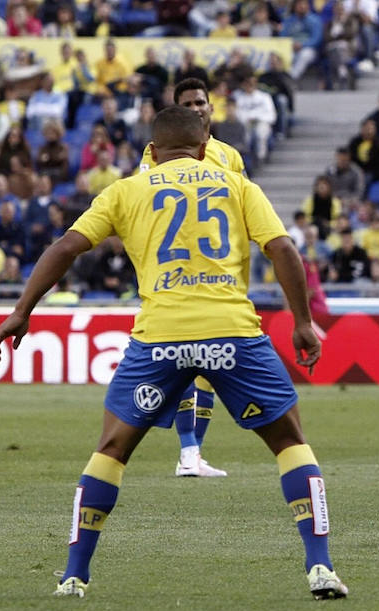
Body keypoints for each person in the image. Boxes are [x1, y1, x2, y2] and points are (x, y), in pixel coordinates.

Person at [0, 105, 348, 601]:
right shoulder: (236, 183)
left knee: (112, 449)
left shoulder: (126, 190)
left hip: (161, 338)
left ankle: (74, 575)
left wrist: (21, 310)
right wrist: (304, 323)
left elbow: (66, 247)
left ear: (151, 152)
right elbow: (284, 249)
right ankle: (320, 567)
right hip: (233, 334)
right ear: (205, 147)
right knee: (290, 442)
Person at [138, 79, 247, 478]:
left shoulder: (229, 157)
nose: (197, 108)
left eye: (201, 102)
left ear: (212, 108)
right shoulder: (156, 156)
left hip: (217, 276)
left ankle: (191, 454)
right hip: (174, 275)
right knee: (184, 362)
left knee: (208, 370)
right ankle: (186, 450)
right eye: (188, 104)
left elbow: (241, 209)